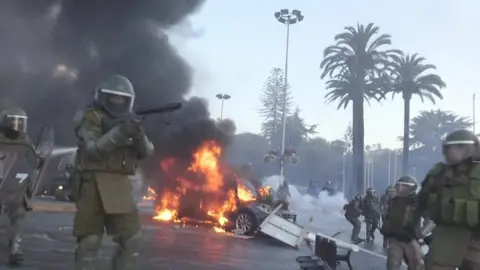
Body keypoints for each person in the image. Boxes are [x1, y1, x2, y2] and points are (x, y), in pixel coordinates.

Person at [72, 75, 154, 270]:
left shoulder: (127, 120)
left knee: (132, 238)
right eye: (114, 98)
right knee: (90, 241)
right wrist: (122, 132)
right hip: (91, 182)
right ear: (102, 97)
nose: (118, 102)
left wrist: (139, 133)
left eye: (123, 99)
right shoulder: (89, 117)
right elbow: (93, 150)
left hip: (118, 184)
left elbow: (147, 152)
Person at [415, 129, 480, 270]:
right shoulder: (438, 173)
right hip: (446, 236)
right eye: (447, 147)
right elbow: (420, 201)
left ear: (468, 149)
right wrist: (413, 231)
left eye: (454, 147)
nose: (448, 152)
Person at [0, 107, 36, 265]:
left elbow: (31, 167)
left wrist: (28, 186)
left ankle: (15, 247)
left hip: (15, 188)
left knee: (19, 214)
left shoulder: (27, 144)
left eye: (19, 122)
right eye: (13, 121)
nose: (16, 126)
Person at [381, 176, 424, 270]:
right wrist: (387, 230)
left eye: (404, 186)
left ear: (412, 188)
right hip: (396, 238)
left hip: (411, 240)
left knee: (415, 266)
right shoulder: (394, 201)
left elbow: (430, 220)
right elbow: (389, 217)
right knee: (392, 265)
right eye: (399, 185)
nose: (400, 188)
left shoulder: (418, 201)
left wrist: (420, 236)